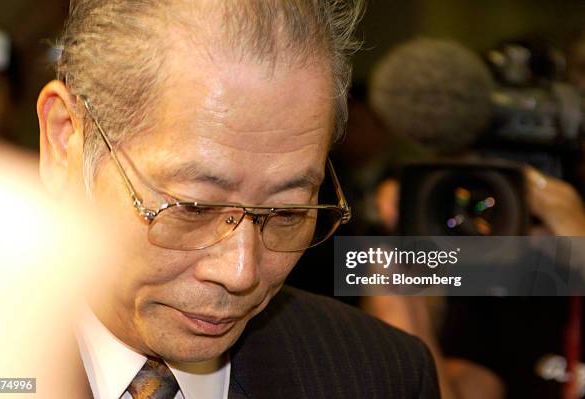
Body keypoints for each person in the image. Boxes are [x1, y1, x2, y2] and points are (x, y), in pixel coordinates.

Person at [36, 1, 440, 398]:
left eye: (287, 212)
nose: (241, 273)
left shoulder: (382, 375)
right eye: (194, 208)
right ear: (65, 139)